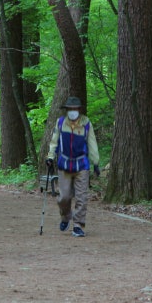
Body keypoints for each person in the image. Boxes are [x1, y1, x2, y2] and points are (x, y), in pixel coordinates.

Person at [45, 96, 100, 238]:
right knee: (64, 197)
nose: (72, 111)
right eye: (70, 109)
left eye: (75, 109)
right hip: (64, 164)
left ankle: (78, 225)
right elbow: (54, 141)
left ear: (79, 109)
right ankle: (65, 216)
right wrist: (50, 157)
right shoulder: (61, 123)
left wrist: (96, 162)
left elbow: (92, 142)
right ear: (67, 110)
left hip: (82, 164)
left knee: (81, 197)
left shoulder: (86, 123)